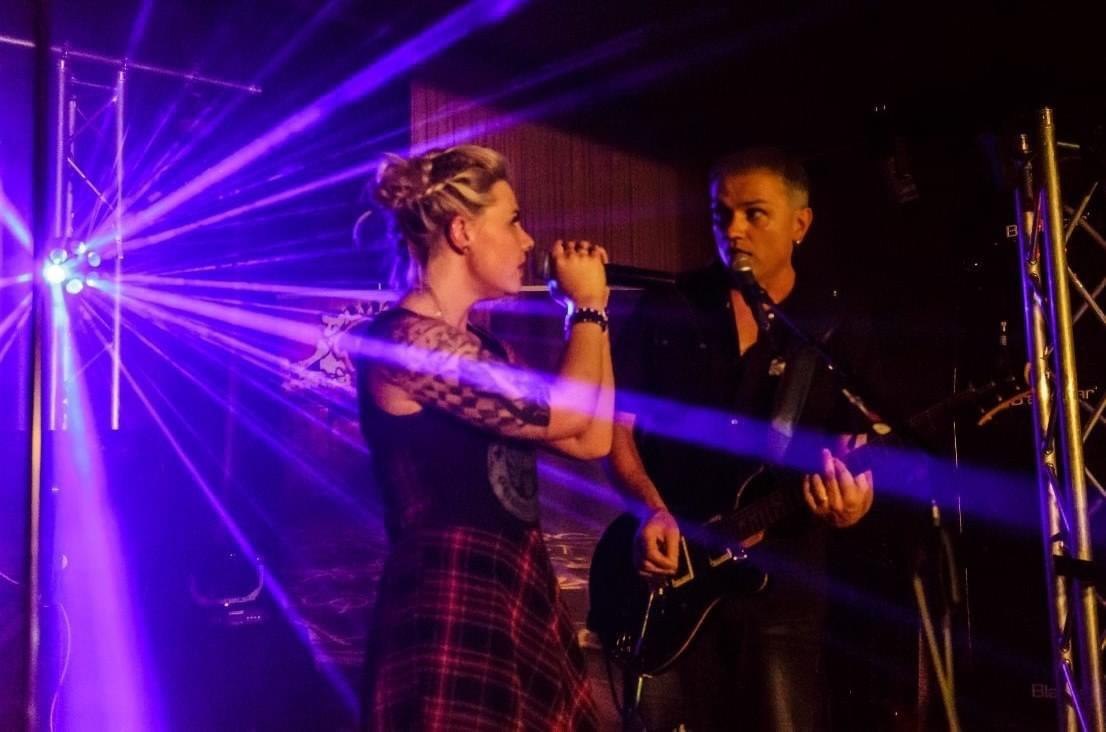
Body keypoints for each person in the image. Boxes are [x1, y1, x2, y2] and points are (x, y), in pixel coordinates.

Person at [609, 146, 881, 730]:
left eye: (754, 213)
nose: (733, 230)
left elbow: (855, 455)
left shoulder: (833, 326)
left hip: (782, 589)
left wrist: (853, 505)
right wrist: (651, 510)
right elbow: (616, 430)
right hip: (668, 582)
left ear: (800, 224)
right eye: (721, 214)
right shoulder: (671, 304)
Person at [353, 144, 611, 730]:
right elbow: (567, 413)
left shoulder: (490, 351)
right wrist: (587, 311)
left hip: (514, 584)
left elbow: (591, 437)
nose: (527, 241)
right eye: (513, 220)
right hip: (449, 593)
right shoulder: (404, 342)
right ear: (462, 231)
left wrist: (594, 314)